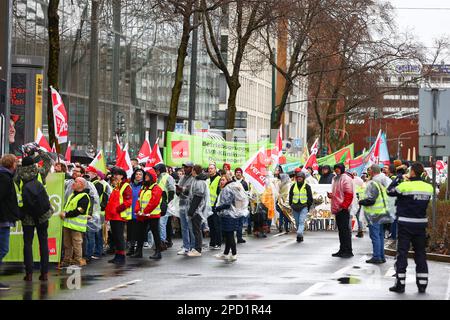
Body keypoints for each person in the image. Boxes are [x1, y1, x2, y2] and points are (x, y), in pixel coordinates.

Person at [387, 162, 433, 294]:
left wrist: (399, 177)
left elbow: (390, 191)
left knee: (402, 254)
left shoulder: (405, 186)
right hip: (420, 225)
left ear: (412, 172)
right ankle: (422, 285)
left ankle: (400, 285)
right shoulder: (428, 187)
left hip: (405, 225)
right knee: (420, 254)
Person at [17, 156, 53, 281]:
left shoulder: (18, 174)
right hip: (42, 214)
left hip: (27, 215)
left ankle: (29, 273)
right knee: (43, 242)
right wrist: (39, 152)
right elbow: (49, 161)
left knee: (28, 243)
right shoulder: (39, 171)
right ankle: (44, 273)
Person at [358, 165, 389, 264]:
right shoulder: (380, 182)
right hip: (381, 212)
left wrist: (361, 202)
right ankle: (381, 256)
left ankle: (377, 256)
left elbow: (371, 200)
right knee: (380, 235)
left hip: (374, 213)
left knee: (375, 236)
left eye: (369, 170)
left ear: (373, 171)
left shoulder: (373, 183)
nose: (368, 171)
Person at [215, 173, 248, 262]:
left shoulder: (227, 189)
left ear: (227, 180)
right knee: (229, 234)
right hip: (233, 214)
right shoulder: (233, 186)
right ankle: (226, 253)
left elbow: (227, 203)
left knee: (229, 235)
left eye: (223, 180)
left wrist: (217, 208)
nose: (221, 182)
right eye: (220, 180)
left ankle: (233, 254)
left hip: (228, 215)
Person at [60, 177, 91, 267]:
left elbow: (79, 210)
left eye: (76, 181)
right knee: (67, 244)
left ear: (81, 184)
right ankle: (67, 260)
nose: (73, 183)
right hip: (68, 223)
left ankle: (78, 260)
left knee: (76, 244)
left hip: (76, 225)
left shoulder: (84, 196)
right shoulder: (73, 194)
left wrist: (66, 214)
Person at [0, 154, 21, 290]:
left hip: (4, 218)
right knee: (3, 249)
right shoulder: (4, 178)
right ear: (12, 164)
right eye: (16, 162)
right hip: (2, 220)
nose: (17, 165)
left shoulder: (5, 176)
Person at [134, 168, 163, 259]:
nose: (145, 177)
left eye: (146, 176)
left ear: (151, 177)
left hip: (153, 215)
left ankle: (158, 252)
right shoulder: (144, 187)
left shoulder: (156, 188)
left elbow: (154, 202)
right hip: (143, 214)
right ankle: (138, 252)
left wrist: (144, 212)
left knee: (155, 233)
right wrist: (138, 210)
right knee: (140, 233)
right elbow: (139, 200)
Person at [105, 168, 132, 265]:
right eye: (114, 174)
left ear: (122, 176)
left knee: (119, 237)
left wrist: (117, 209)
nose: (114, 176)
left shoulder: (125, 186)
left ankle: (121, 257)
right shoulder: (117, 186)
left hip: (119, 216)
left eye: (117, 174)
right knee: (115, 237)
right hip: (114, 215)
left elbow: (128, 201)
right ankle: (117, 255)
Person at [328, 163, 354, 258]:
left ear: (342, 169)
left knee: (345, 231)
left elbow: (349, 194)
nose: (336, 170)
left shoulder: (345, 178)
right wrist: (332, 196)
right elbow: (339, 193)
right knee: (341, 231)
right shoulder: (335, 178)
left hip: (343, 208)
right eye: (335, 169)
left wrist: (344, 206)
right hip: (338, 207)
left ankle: (348, 250)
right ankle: (342, 249)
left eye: (338, 169)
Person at [186, 165, 211, 257]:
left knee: (196, 230)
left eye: (192, 170)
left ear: (194, 171)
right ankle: (196, 248)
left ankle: (198, 249)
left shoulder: (199, 182)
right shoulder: (196, 180)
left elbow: (198, 197)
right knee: (195, 229)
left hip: (198, 209)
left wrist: (191, 210)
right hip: (197, 209)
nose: (191, 172)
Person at [85, 166, 109, 260]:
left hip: (97, 212)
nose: (87, 174)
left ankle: (97, 252)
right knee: (97, 232)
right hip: (98, 212)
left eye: (89, 172)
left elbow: (96, 199)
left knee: (95, 233)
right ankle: (99, 251)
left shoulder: (97, 184)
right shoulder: (93, 183)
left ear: (95, 174)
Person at [154, 163, 176, 250]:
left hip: (165, 203)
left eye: (156, 169)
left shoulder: (168, 177)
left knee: (162, 223)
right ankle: (165, 241)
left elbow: (171, 190)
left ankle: (162, 242)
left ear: (160, 170)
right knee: (164, 223)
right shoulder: (158, 178)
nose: (155, 171)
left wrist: (169, 203)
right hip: (160, 203)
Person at [176, 161, 195, 255]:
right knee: (184, 227)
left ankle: (193, 247)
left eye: (187, 167)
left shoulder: (194, 178)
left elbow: (191, 190)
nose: (185, 169)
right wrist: (178, 190)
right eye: (184, 167)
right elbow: (178, 191)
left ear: (192, 168)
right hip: (182, 204)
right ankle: (186, 247)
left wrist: (182, 189)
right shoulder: (182, 177)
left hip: (190, 206)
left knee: (191, 227)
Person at [289, 171, 313, 242]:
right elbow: (290, 196)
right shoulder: (293, 186)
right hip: (295, 207)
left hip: (303, 206)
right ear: (296, 178)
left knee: (301, 221)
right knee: (297, 222)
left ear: (303, 178)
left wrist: (308, 206)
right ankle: (300, 237)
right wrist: (291, 204)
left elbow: (310, 197)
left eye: (300, 177)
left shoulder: (307, 186)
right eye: (298, 177)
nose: (299, 179)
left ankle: (299, 233)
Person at [126, 168, 144, 256]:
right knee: (131, 232)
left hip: (139, 212)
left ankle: (138, 250)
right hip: (130, 212)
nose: (138, 176)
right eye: (137, 174)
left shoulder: (144, 186)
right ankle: (131, 248)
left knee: (138, 232)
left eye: (140, 174)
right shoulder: (130, 185)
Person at [207, 163, 222, 250]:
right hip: (209, 206)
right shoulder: (208, 180)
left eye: (212, 168)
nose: (210, 170)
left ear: (215, 169)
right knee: (211, 225)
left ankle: (218, 243)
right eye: (209, 169)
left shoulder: (219, 179)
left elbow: (219, 193)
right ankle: (212, 242)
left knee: (217, 225)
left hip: (216, 206)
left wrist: (217, 204)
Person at [234, 167, 248, 244]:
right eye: (237, 172)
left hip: (241, 205)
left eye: (239, 172)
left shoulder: (244, 183)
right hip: (233, 205)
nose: (238, 173)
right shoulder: (232, 182)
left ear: (241, 174)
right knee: (233, 221)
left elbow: (246, 195)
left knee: (240, 222)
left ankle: (239, 237)